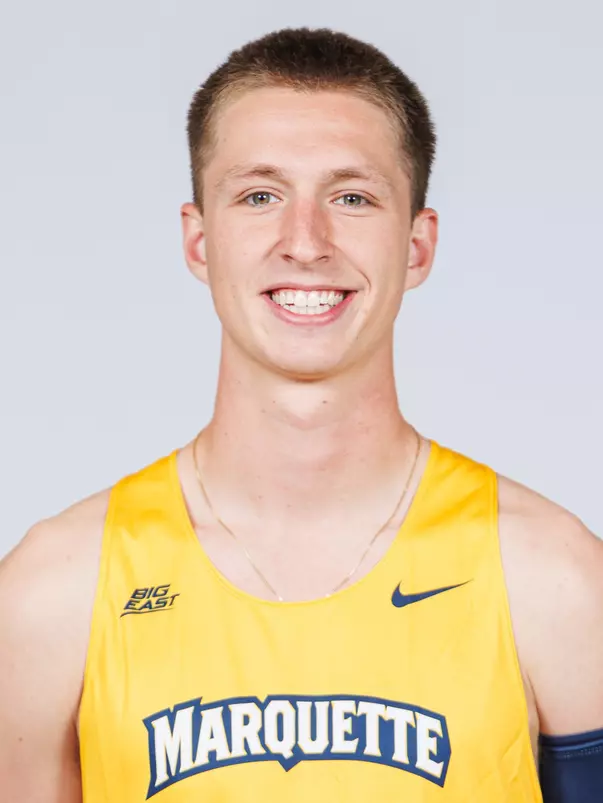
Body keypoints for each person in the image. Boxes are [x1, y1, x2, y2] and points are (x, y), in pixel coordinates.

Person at [0, 26, 601, 803]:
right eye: (259, 196)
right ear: (198, 240)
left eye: (351, 197)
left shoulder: (553, 578)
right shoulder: (53, 592)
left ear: (416, 245)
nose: (305, 242)